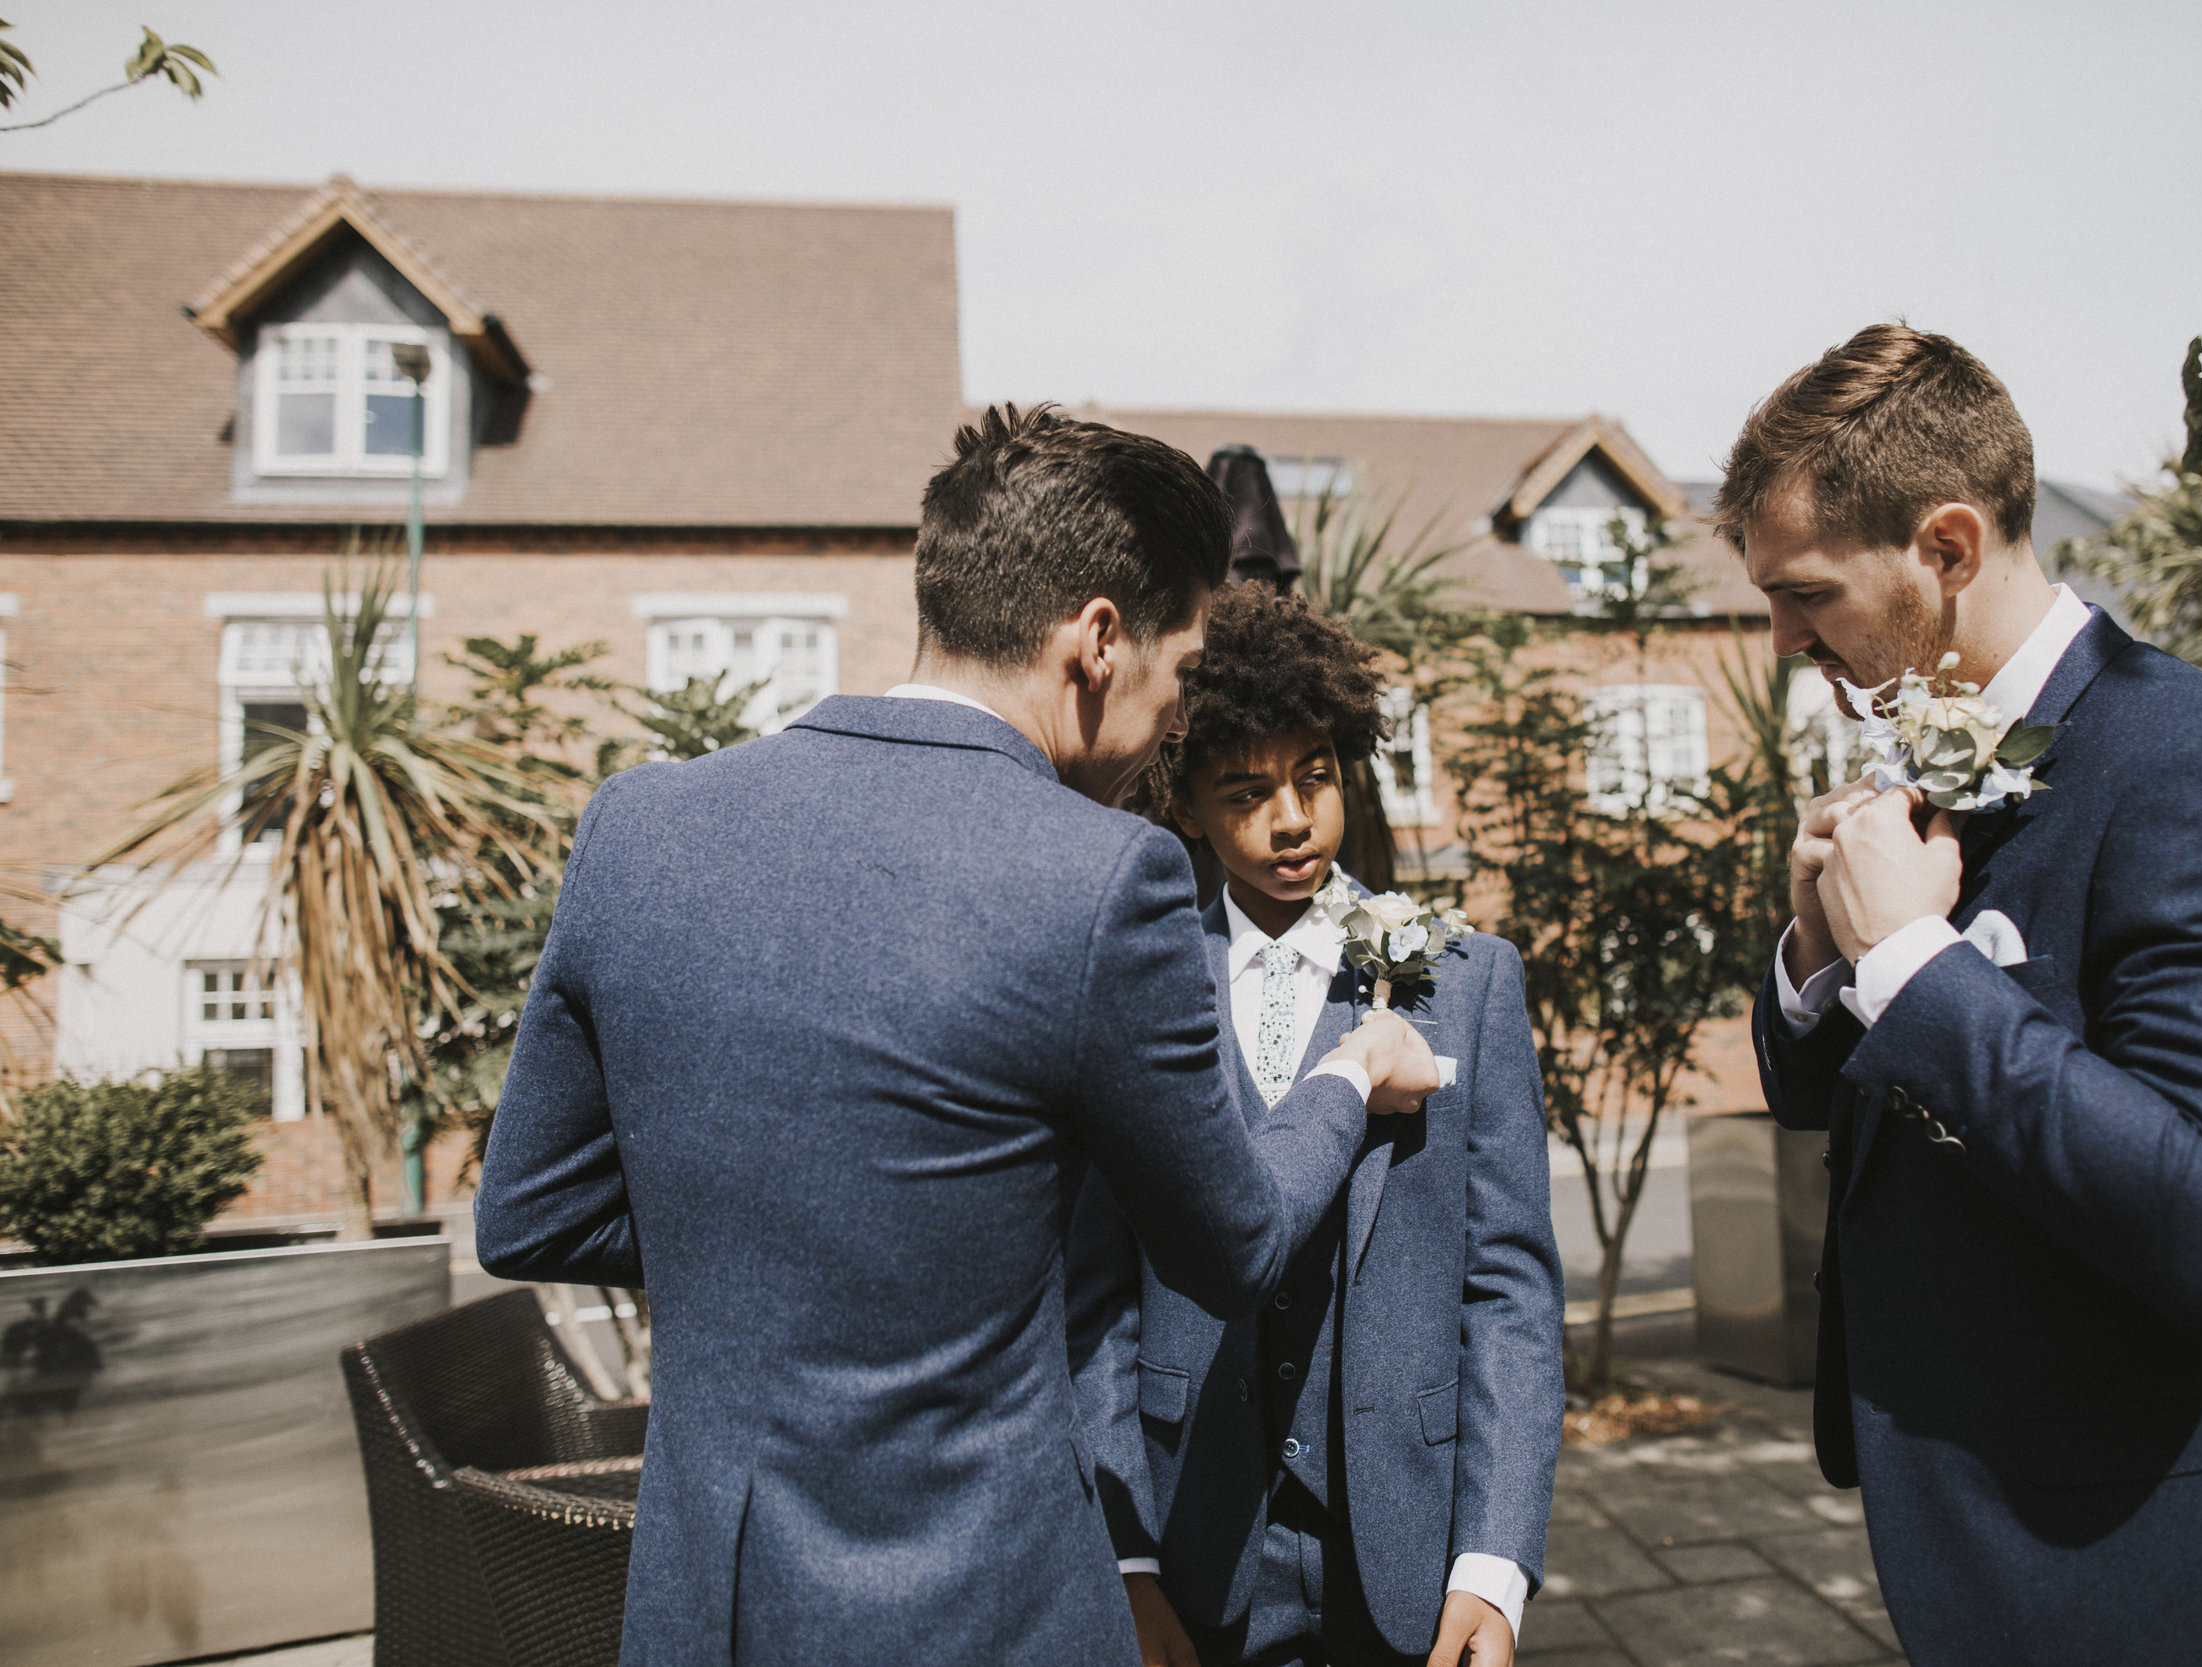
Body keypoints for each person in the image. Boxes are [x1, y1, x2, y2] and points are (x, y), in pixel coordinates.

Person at [472, 406, 1445, 1665]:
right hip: (981, 1602)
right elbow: (1237, 1243)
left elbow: (529, 1214)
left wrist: (814, 1247)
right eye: (1182, 670)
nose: (1171, 717)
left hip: (707, 1604)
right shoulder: (1103, 875)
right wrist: (1347, 1068)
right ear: (1098, 640)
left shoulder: (639, 822)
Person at [1734, 324, 2202, 1666]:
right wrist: (1823, 962)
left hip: (2184, 1577)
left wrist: (1912, 966)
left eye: (1806, 593)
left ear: (1946, 548)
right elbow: (1827, 1098)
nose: (1780, 640)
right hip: (1991, 1548)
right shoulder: (1925, 755)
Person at [1068, 584, 1563, 1667]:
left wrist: (1493, 1559)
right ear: (1186, 805)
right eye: (1245, 790)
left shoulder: (1468, 978)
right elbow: (1094, 1295)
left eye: (1314, 778)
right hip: (1192, 1533)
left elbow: (1510, 1287)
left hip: (1408, 1539)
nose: (1290, 817)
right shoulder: (1127, 984)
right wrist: (1126, 1559)